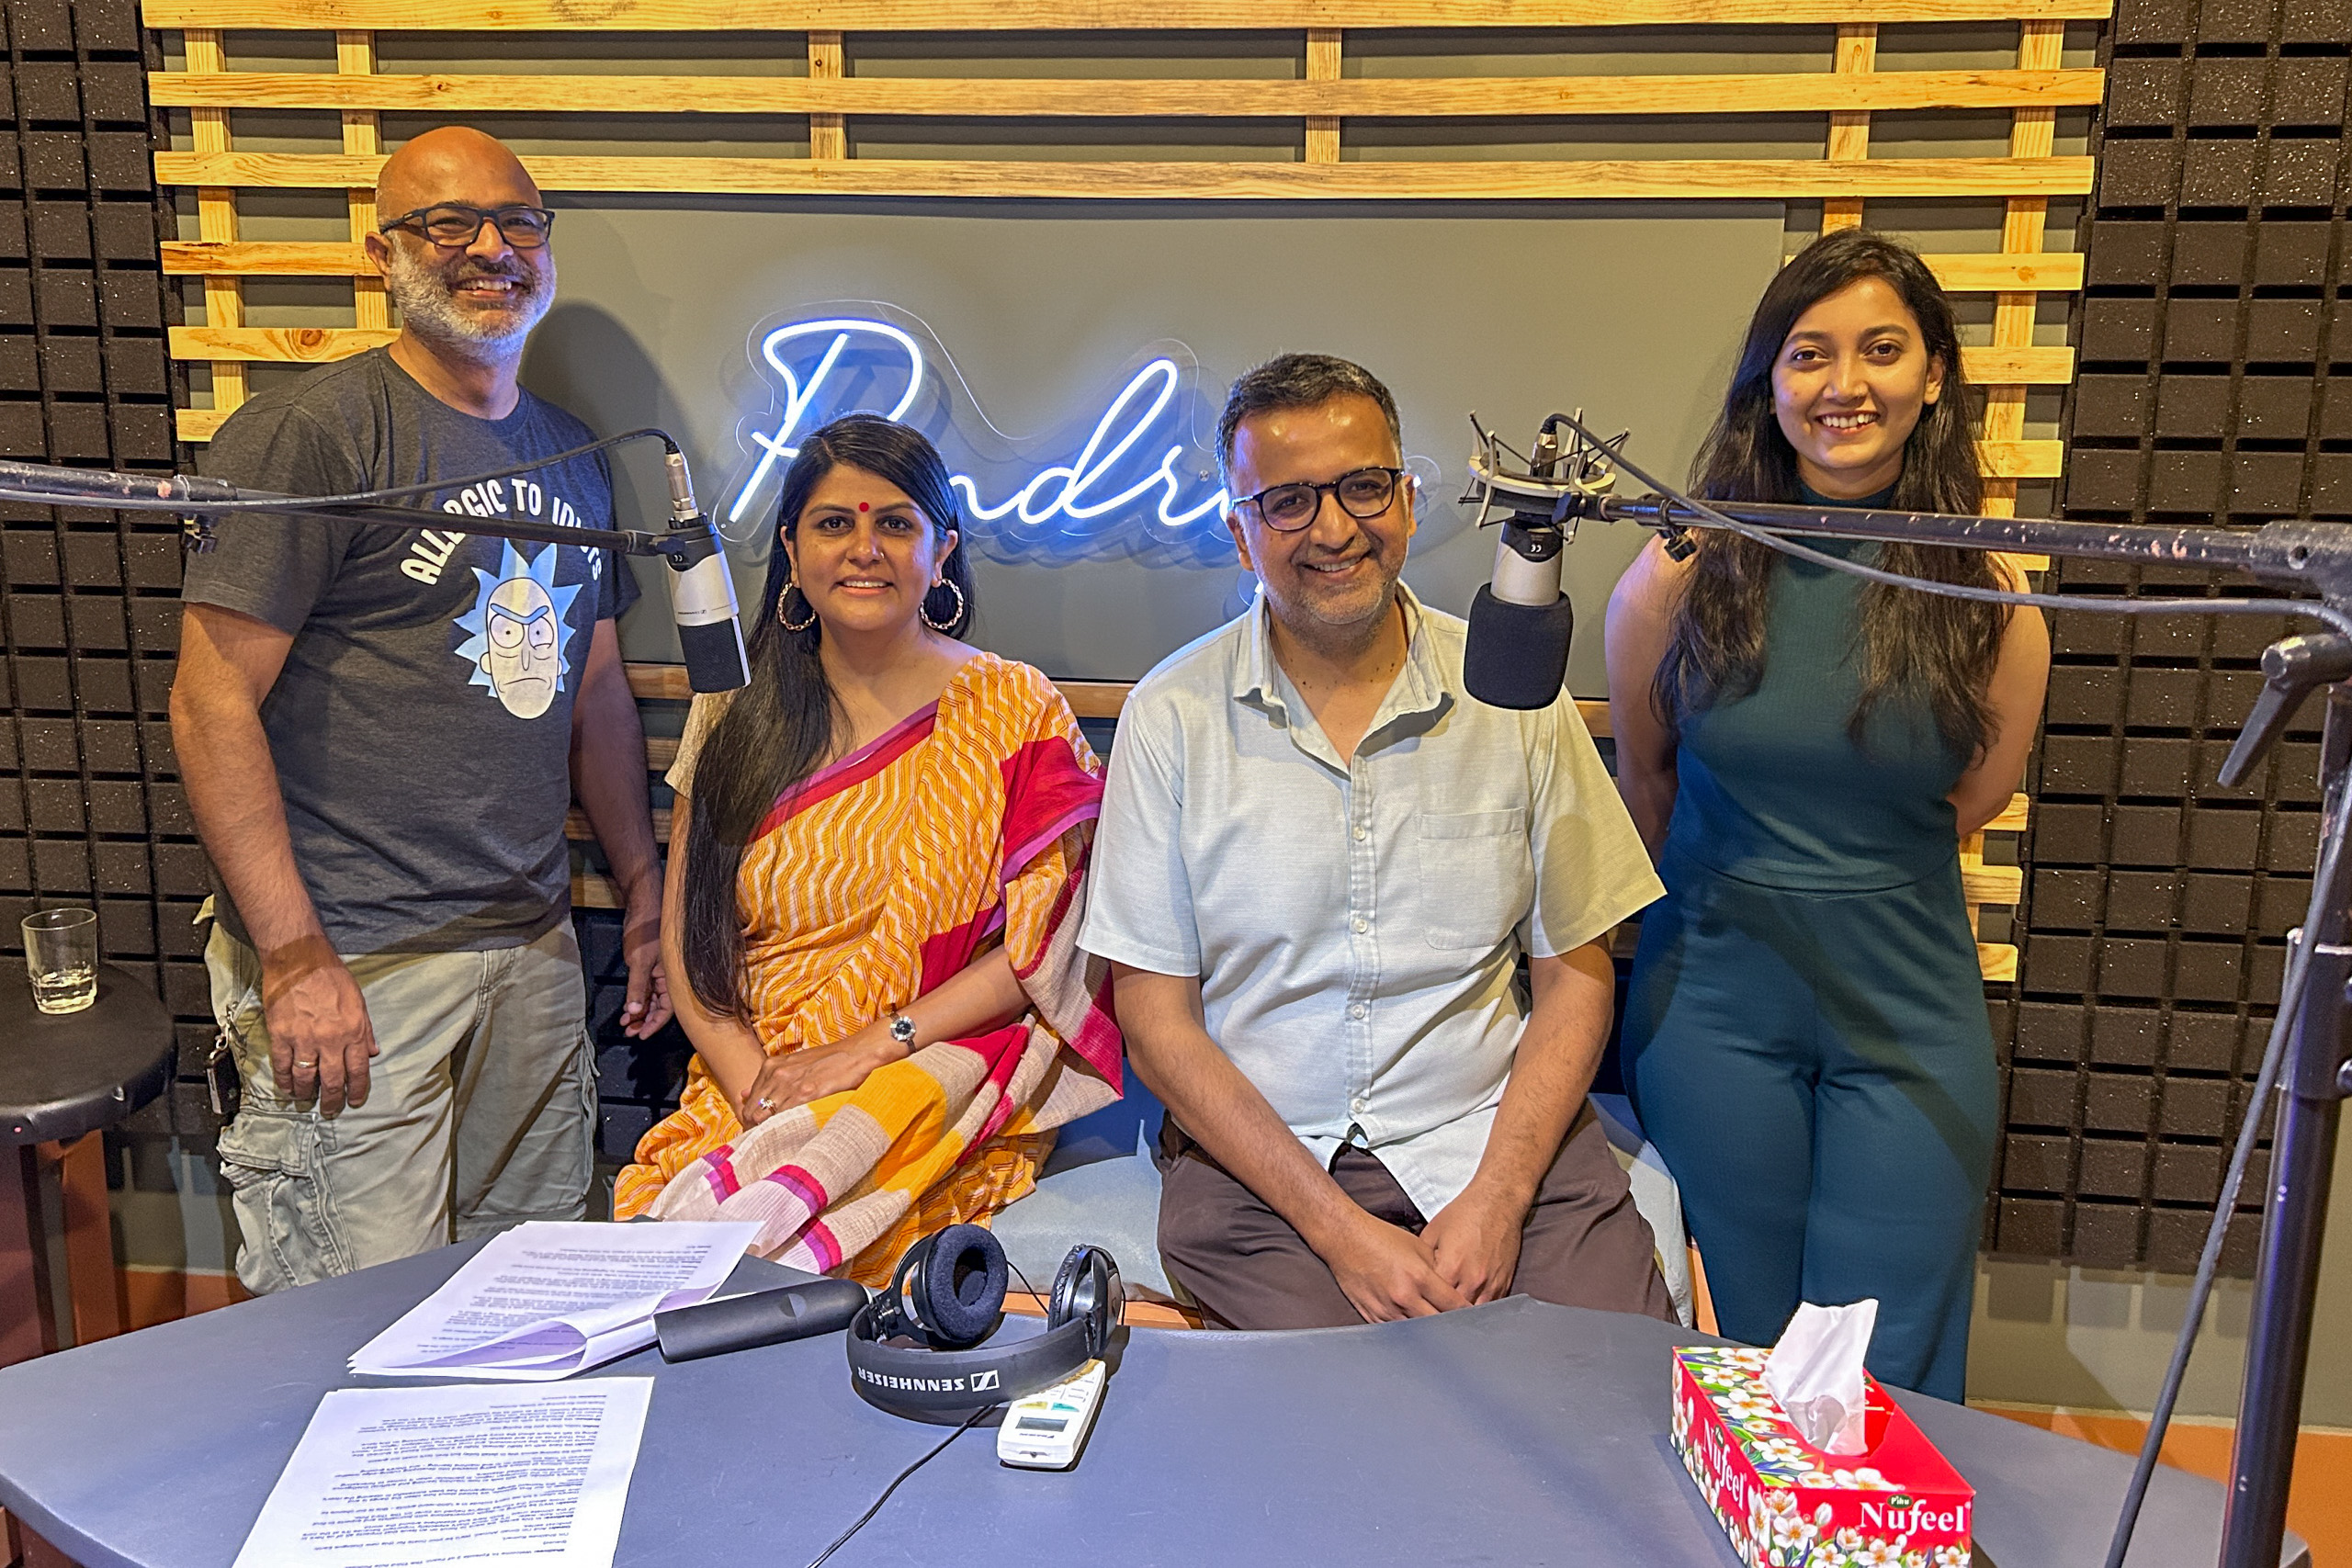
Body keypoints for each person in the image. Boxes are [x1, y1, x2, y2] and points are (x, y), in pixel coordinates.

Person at [172, 127, 671, 1294]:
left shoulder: (574, 456)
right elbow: (208, 706)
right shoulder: (318, 432)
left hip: (530, 950)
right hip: (357, 962)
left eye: (517, 223)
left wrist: (644, 891)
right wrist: (294, 957)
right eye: (449, 224)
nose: (491, 249)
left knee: (521, 1304)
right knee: (346, 1325)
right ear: (380, 253)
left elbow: (594, 693)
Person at [1081, 353, 1675, 1330]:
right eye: (1286, 502)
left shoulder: (1517, 693)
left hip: (1493, 1138)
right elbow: (1156, 1022)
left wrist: (1495, 1202)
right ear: (1239, 535)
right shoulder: (1170, 716)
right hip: (1260, 1173)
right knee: (1348, 1437)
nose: (1333, 528)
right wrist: (1339, 1233)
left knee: (1610, 1400)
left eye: (1361, 488)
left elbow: (1575, 974)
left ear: (1403, 501)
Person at [1606, 230, 2051, 1401]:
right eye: (1810, 354)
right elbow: (1642, 780)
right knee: (1740, 1342)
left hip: (1907, 1008)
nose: (1843, 385)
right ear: (1770, 378)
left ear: (1934, 375)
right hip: (1706, 1004)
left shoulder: (1990, 597)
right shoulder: (1680, 571)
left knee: (1884, 1352)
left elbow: (1973, 798)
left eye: (1881, 350)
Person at [613, 414, 1121, 1283]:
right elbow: (691, 943)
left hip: (928, 1073)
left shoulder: (1014, 711)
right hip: (753, 1073)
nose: (864, 548)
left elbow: (1045, 949)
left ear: (941, 547)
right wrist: (757, 1092)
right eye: (834, 523)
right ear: (791, 545)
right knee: (689, 1254)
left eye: (895, 523)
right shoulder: (733, 707)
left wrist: (873, 1047)